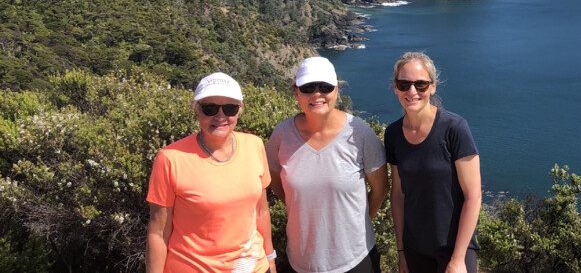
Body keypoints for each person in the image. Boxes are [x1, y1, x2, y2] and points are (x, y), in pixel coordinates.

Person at [266, 56, 389, 273]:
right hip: (302, 262)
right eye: (308, 87)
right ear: (296, 93)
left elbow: (381, 189)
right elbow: (276, 185)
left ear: (336, 91)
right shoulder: (281, 135)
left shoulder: (360, 133)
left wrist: (355, 225)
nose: (317, 94)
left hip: (357, 260)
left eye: (325, 87)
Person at [146, 72, 276, 273]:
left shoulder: (255, 145)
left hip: (253, 267)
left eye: (230, 108)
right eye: (210, 108)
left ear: (240, 109)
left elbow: (261, 211)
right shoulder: (170, 158)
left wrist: (270, 259)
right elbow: (158, 233)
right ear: (196, 109)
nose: (221, 116)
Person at [384, 52, 482, 273]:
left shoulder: (454, 129)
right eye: (404, 84)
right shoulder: (392, 135)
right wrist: (401, 252)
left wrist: (457, 260)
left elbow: (473, 195)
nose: (412, 92)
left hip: (454, 248)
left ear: (433, 86)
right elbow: (398, 194)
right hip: (415, 249)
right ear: (395, 87)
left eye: (421, 85)